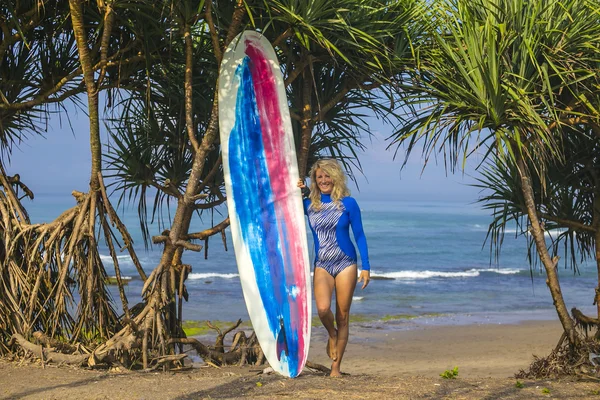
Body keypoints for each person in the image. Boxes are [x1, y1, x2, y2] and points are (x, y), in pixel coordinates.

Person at [297, 158, 371, 377]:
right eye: (319, 177)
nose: (323, 180)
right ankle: (332, 334)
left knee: (343, 316)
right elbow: (285, 206)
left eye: (327, 176)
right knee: (322, 309)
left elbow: (359, 235)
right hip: (322, 263)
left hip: (346, 262)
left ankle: (336, 368)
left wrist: (366, 266)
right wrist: (297, 190)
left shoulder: (349, 204)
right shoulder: (309, 204)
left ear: (335, 177)